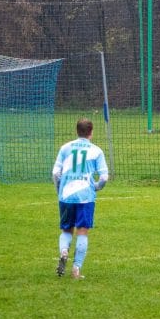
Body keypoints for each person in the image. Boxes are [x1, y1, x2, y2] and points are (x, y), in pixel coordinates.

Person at [53, 118, 108, 279]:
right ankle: (76, 269)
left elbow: (56, 173)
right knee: (82, 232)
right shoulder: (96, 151)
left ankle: (64, 252)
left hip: (66, 195)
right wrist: (96, 186)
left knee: (66, 229)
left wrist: (59, 190)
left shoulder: (65, 148)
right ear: (91, 132)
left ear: (76, 131)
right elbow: (104, 177)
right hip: (85, 196)